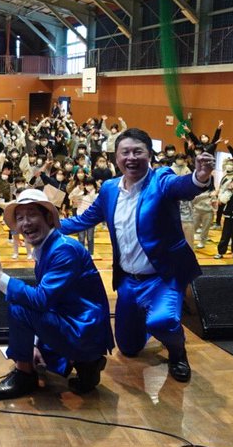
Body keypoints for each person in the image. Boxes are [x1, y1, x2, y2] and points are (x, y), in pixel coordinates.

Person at [57, 128, 214, 383]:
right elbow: (85, 219)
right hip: (129, 280)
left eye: (138, 151)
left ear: (149, 154)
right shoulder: (109, 188)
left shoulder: (161, 179)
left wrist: (200, 176)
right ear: (115, 157)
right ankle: (149, 318)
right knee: (129, 348)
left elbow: (183, 186)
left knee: (162, 322)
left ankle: (177, 352)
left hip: (162, 277)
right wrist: (46, 225)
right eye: (125, 152)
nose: (131, 157)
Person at [0, 189, 113, 400]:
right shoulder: (48, 246)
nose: (25, 223)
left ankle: (25, 374)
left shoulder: (64, 249)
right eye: (20, 218)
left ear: (49, 217)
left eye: (32, 214)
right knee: (40, 354)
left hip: (82, 328)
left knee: (20, 307)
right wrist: (33, 343)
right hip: (72, 320)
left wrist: (1, 279)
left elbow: (41, 300)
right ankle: (87, 363)